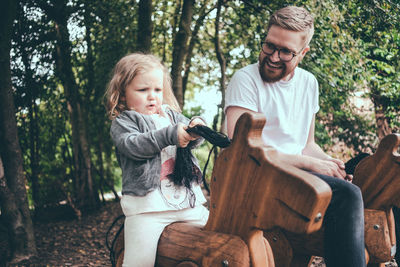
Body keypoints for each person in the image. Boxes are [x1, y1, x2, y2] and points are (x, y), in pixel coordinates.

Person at [225, 6, 366, 267]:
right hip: (255, 181)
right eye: (269, 45)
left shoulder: (309, 83)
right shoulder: (245, 80)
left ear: (303, 53)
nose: (273, 57)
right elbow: (243, 150)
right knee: (347, 196)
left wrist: (331, 164)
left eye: (286, 51)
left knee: (371, 183)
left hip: (294, 177)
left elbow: (307, 145)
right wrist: (311, 164)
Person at [106, 53, 209, 267]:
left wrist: (198, 127)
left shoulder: (170, 115)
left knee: (219, 235)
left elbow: (192, 140)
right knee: (139, 263)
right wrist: (170, 135)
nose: (152, 96)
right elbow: (133, 145)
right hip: (147, 210)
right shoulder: (124, 122)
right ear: (123, 94)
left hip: (187, 204)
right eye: (143, 90)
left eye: (157, 90)